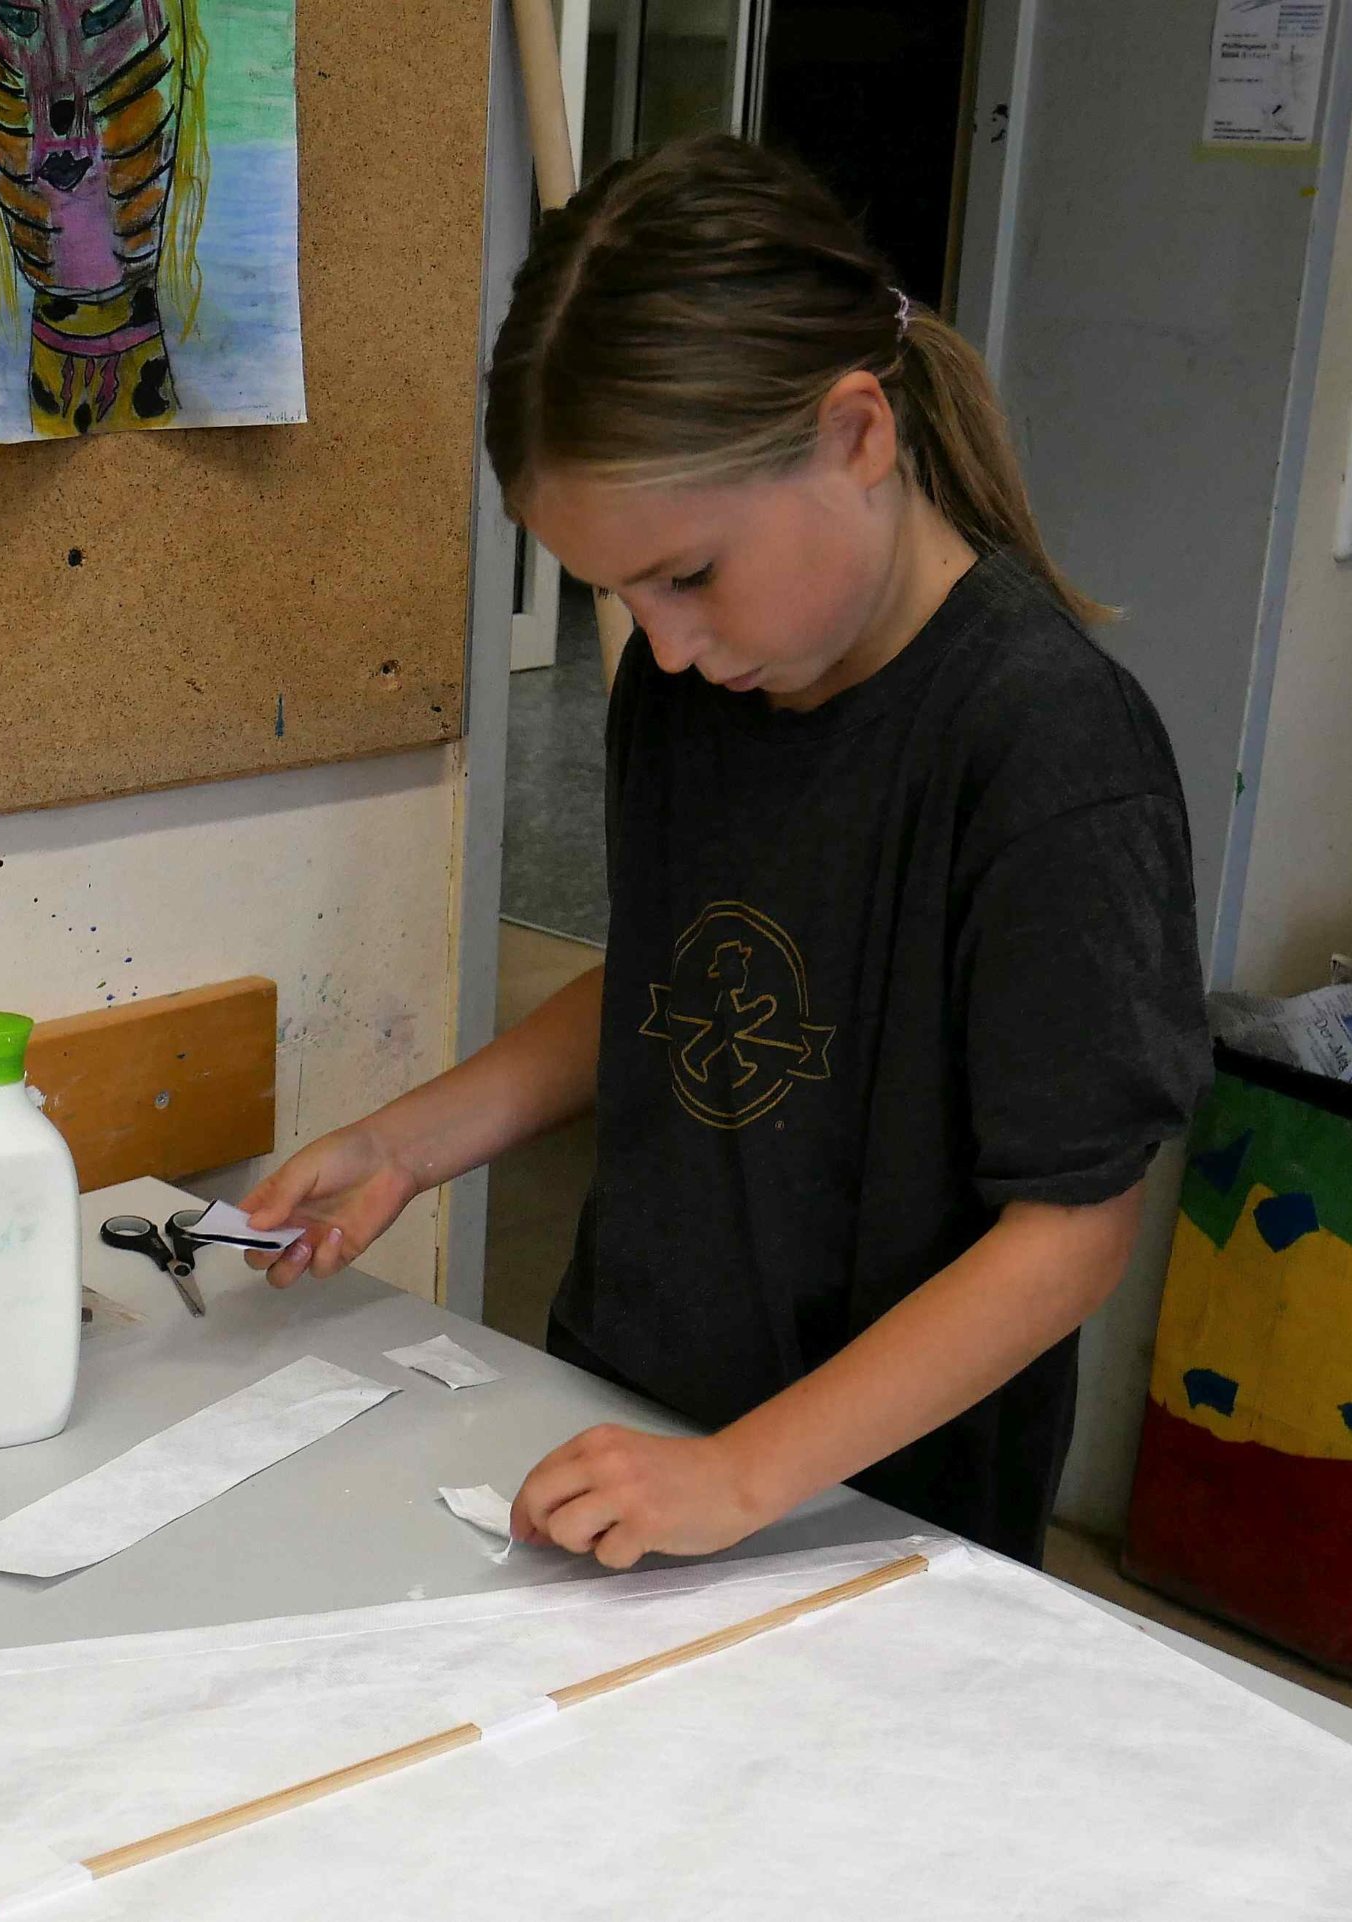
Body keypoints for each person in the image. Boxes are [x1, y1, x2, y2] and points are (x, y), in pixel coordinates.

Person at [239, 136, 1208, 1569]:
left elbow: (1072, 1233)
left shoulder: (1048, 749)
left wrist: (741, 1478)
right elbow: (672, 978)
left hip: (875, 1513)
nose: (669, 642)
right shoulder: (693, 687)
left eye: (689, 574)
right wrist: (406, 1144)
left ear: (858, 436)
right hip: (629, 1415)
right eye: (622, 593)